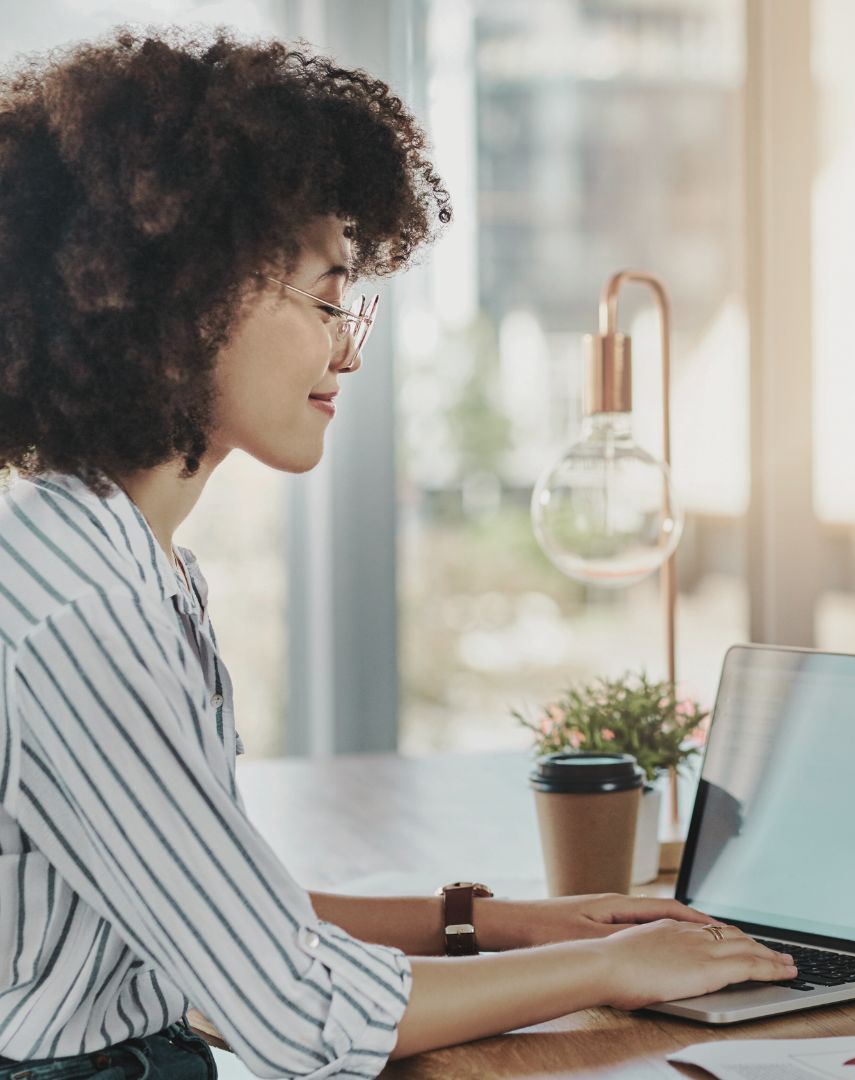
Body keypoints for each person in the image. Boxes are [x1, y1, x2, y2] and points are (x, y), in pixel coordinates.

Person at [0, 25, 796, 1079]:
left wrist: (510, 924)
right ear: (185, 301)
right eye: (328, 298)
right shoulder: (88, 612)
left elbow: (213, 919)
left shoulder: (93, 556)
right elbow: (296, 1012)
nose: (350, 346)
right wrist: (618, 970)